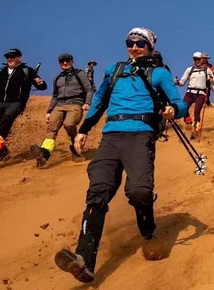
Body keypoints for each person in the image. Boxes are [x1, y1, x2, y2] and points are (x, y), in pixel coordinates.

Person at [55, 27, 187, 283]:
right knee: (97, 194)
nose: (134, 47)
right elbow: (100, 101)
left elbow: (179, 103)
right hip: (110, 137)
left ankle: (147, 231)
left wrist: (173, 109)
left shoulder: (159, 73)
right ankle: (83, 261)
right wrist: (83, 131)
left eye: (140, 43)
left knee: (139, 191)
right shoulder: (114, 71)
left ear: (149, 47)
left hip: (140, 136)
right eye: (130, 42)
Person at [30, 53, 94, 168]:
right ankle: (44, 154)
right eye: (62, 61)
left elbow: (89, 89)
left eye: (67, 60)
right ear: (59, 63)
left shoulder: (80, 74)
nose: (65, 63)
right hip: (59, 105)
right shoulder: (57, 78)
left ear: (72, 61)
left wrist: (87, 103)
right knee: (51, 129)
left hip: (75, 103)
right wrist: (49, 111)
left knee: (69, 124)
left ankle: (75, 147)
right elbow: (55, 95)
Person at [175, 51, 214, 138]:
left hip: (201, 93)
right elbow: (182, 82)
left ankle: (195, 132)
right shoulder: (189, 70)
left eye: (198, 59)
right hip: (190, 92)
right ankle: (188, 122)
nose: (196, 61)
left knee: (197, 112)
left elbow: (213, 82)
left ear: (202, 60)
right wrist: (177, 82)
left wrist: (213, 84)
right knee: (184, 107)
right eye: (194, 59)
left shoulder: (207, 70)